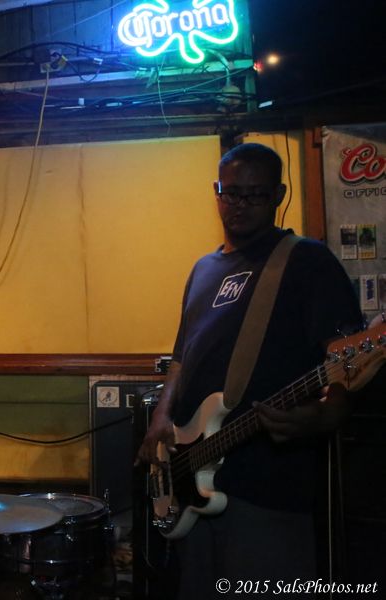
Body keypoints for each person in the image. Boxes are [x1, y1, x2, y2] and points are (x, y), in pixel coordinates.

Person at [137, 143, 363, 599]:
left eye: (255, 195)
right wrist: (161, 417)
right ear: (216, 191)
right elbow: (182, 356)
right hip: (192, 481)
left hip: (268, 487)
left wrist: (329, 413)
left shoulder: (306, 261)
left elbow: (346, 355)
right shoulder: (203, 269)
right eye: (230, 193)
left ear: (278, 195)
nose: (239, 204)